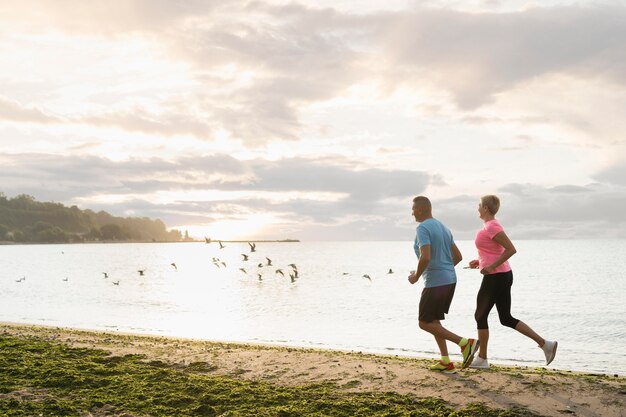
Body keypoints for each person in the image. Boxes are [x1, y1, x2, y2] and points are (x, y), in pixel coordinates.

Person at [467, 195, 557, 369]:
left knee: (480, 315)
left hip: (496, 276)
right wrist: (480, 262)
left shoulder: (492, 226)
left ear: (485, 208)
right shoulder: (489, 226)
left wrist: (492, 266)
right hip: (501, 275)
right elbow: (495, 250)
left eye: (479, 205)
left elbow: (511, 249)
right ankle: (546, 345)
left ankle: (482, 359)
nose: (477, 208)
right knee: (506, 318)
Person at [408, 196, 479, 373]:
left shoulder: (422, 228)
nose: (412, 212)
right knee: (434, 321)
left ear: (422, 209)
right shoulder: (443, 228)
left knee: (424, 323)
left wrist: (416, 276)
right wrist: (444, 269)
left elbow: (425, 256)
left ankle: (465, 343)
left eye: (414, 209)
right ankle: (445, 360)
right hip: (449, 280)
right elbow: (458, 257)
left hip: (435, 282)